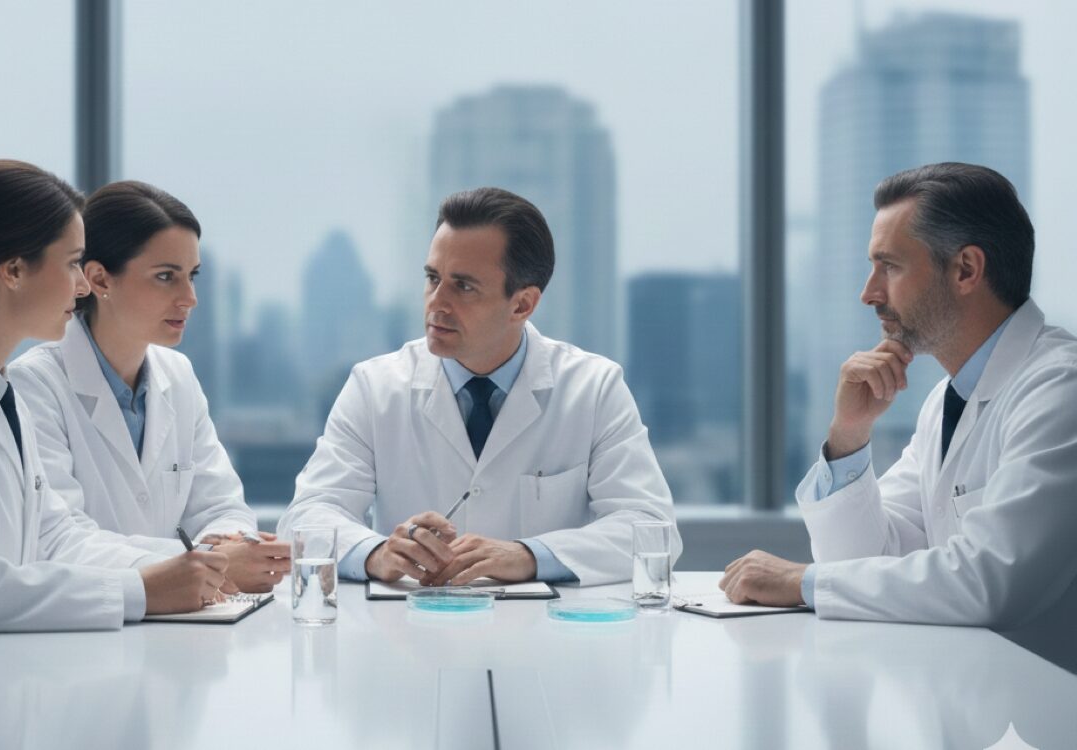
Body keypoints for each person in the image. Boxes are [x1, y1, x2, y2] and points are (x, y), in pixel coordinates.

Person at [719, 162, 1077, 671]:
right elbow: (866, 562)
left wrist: (799, 582)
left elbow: (996, 583)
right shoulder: (946, 402)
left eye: (889, 266)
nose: (869, 292)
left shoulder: (1059, 388)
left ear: (966, 270)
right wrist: (848, 437)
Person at [0, 160, 228, 670]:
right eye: (71, 265)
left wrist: (185, 571)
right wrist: (140, 590)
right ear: (13, 270)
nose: (83, 288)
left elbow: (54, 537)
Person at [279, 187, 679, 586]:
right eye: (432, 278)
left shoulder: (594, 389)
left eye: (463, 286)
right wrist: (375, 553)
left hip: (547, 637)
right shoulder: (374, 388)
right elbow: (307, 516)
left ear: (522, 304)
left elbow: (651, 528)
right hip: (410, 633)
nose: (437, 302)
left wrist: (528, 555)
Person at [10, 181, 290, 594]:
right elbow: (59, 540)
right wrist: (207, 563)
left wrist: (229, 544)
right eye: (166, 277)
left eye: (192, 276)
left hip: (182, 614)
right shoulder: (33, 385)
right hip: (92, 619)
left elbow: (221, 504)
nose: (190, 298)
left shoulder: (177, 375)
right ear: (100, 279)